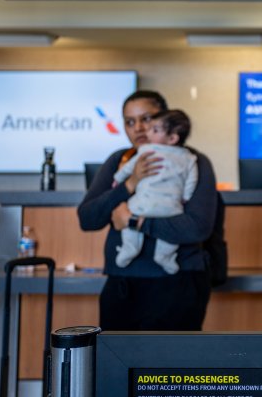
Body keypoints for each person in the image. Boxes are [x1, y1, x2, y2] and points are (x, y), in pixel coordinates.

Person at [78, 91, 217, 331]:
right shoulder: (119, 160)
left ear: (164, 118)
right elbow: (88, 219)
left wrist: (134, 221)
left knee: (171, 368)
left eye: (147, 118)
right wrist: (129, 184)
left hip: (178, 285)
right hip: (122, 285)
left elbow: (197, 228)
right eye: (130, 122)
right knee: (115, 367)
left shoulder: (192, 161)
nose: (139, 128)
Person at [113, 110, 198, 274]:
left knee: (129, 224)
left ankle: (129, 249)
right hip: (170, 208)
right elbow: (191, 180)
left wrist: (118, 178)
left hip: (142, 204)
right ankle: (165, 257)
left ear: (172, 138)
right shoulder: (189, 158)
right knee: (170, 235)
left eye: (155, 130)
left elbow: (130, 168)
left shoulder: (148, 150)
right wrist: (185, 197)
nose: (147, 132)